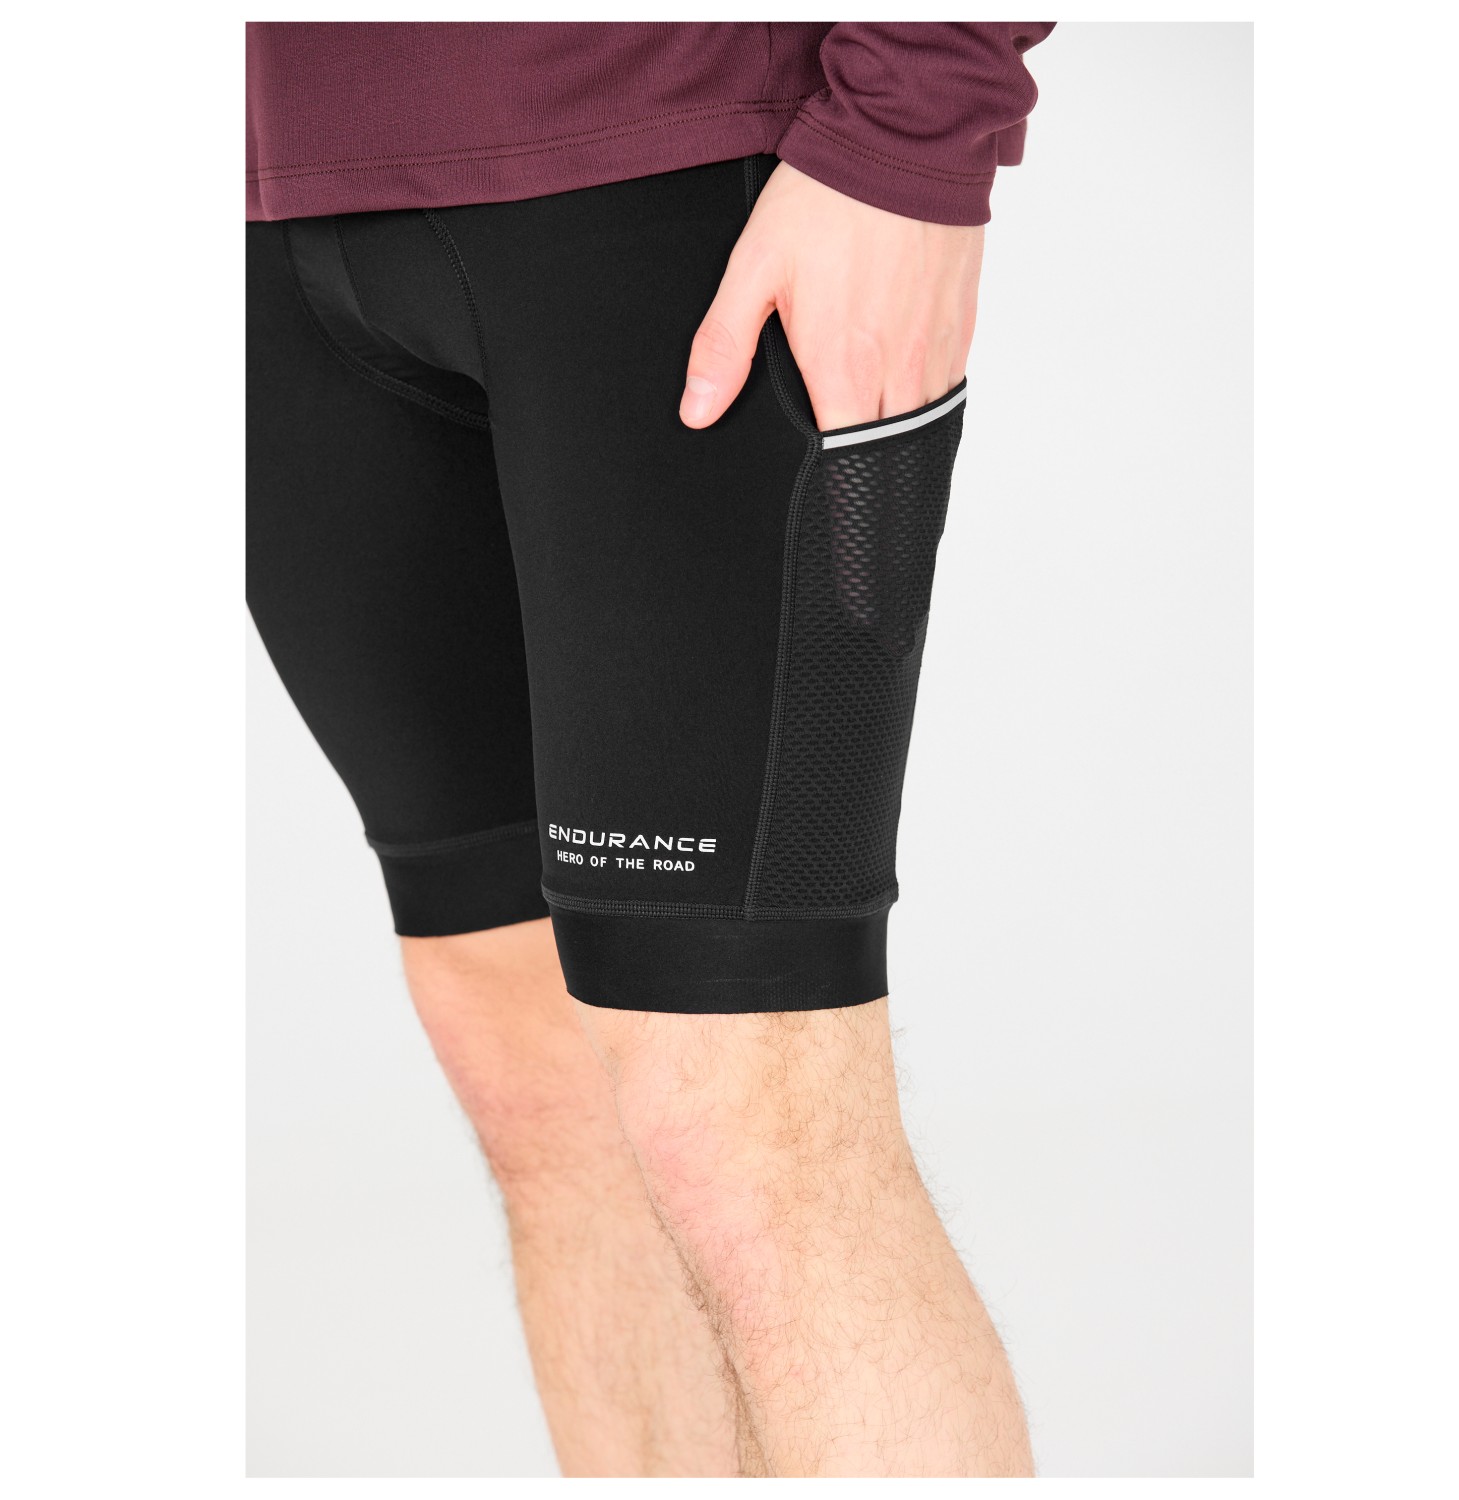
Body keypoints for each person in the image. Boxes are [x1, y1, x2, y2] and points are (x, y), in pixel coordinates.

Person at [247, 21, 1054, 1478]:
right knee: (526, 1062)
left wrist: (916, 124)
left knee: (746, 1123)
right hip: (261, 193)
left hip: (671, 156)